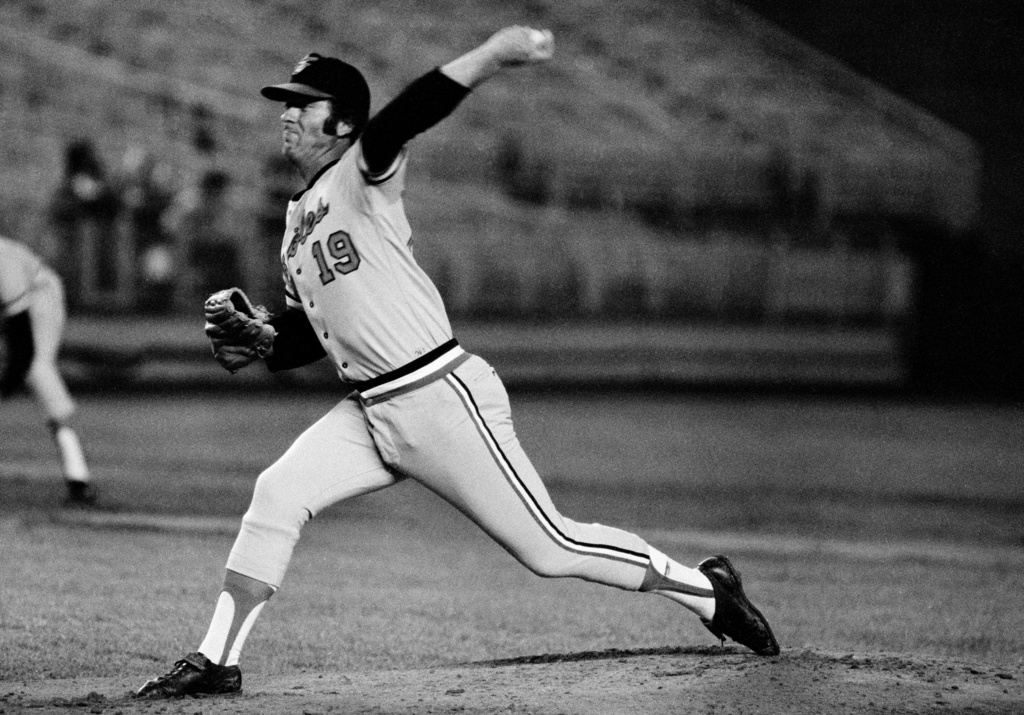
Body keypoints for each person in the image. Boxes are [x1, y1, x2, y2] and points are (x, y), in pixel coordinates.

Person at [135, 26, 779, 700]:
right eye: (285, 101)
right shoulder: (296, 220)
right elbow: (308, 336)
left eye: (305, 102)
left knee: (551, 548)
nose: (288, 113)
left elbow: (406, 116)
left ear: (345, 121)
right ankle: (216, 659)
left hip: (439, 396)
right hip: (370, 409)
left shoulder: (361, 173)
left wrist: (493, 56)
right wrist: (263, 338)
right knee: (277, 492)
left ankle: (709, 590)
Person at [0, 235, 96, 506]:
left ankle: (79, 477)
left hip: (40, 293)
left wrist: (7, 385)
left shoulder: (3, 261)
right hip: (12, 305)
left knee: (38, 369)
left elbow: (22, 345)